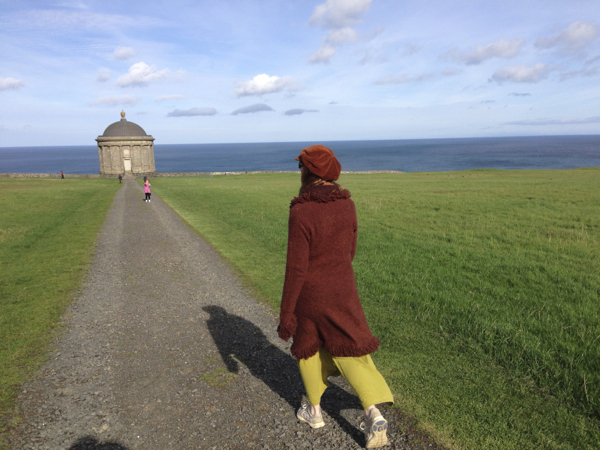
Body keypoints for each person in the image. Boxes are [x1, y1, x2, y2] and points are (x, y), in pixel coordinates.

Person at [278, 145, 393, 449]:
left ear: (309, 171)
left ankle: (314, 412)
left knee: (308, 350)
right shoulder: (347, 205)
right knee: (351, 348)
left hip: (310, 294)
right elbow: (350, 252)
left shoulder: (301, 210)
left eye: (300, 167)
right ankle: (372, 412)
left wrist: (286, 314)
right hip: (343, 288)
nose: (298, 171)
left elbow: (296, 269)